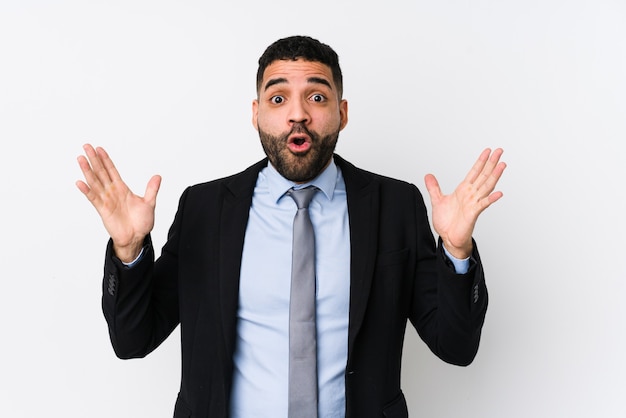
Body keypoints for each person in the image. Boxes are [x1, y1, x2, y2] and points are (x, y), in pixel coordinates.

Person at [76, 35, 506, 418]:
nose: (297, 114)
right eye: (278, 99)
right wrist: (129, 251)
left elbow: (456, 346)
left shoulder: (395, 205)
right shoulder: (205, 208)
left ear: (342, 112)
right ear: (256, 113)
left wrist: (456, 249)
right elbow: (133, 340)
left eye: (316, 98)